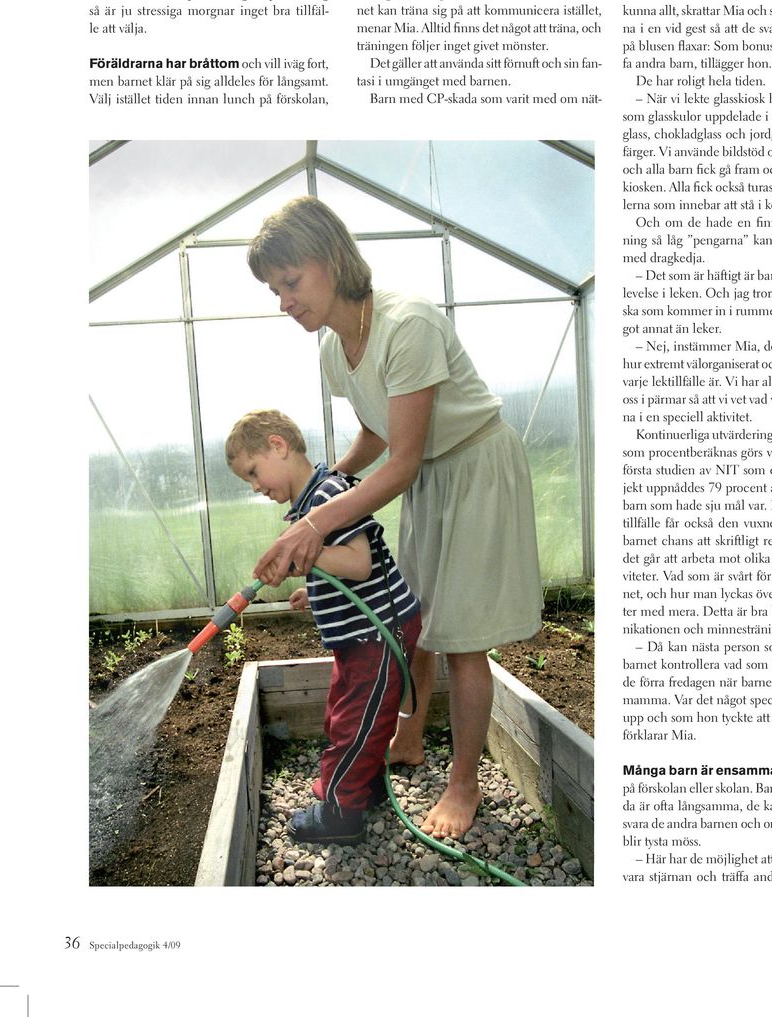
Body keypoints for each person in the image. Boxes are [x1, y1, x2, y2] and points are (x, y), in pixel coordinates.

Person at [247, 196, 542, 839]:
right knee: (418, 613)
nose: (284, 301)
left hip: (475, 465)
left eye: (291, 282)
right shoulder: (333, 349)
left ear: (331, 260)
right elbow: (377, 438)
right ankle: (409, 739)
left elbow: (401, 462)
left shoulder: (409, 325)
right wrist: (318, 499)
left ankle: (463, 787)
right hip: (430, 474)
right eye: (275, 290)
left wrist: (316, 525)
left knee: (462, 637)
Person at [226, 408, 421, 845]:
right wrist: (314, 592)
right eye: (249, 482)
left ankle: (341, 814)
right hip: (359, 638)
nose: (256, 487)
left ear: (278, 445)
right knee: (346, 715)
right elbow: (343, 570)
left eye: (254, 473)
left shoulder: (327, 495)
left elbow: (358, 563)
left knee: (354, 724)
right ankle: (366, 787)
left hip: (378, 635)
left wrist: (301, 559)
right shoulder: (308, 502)